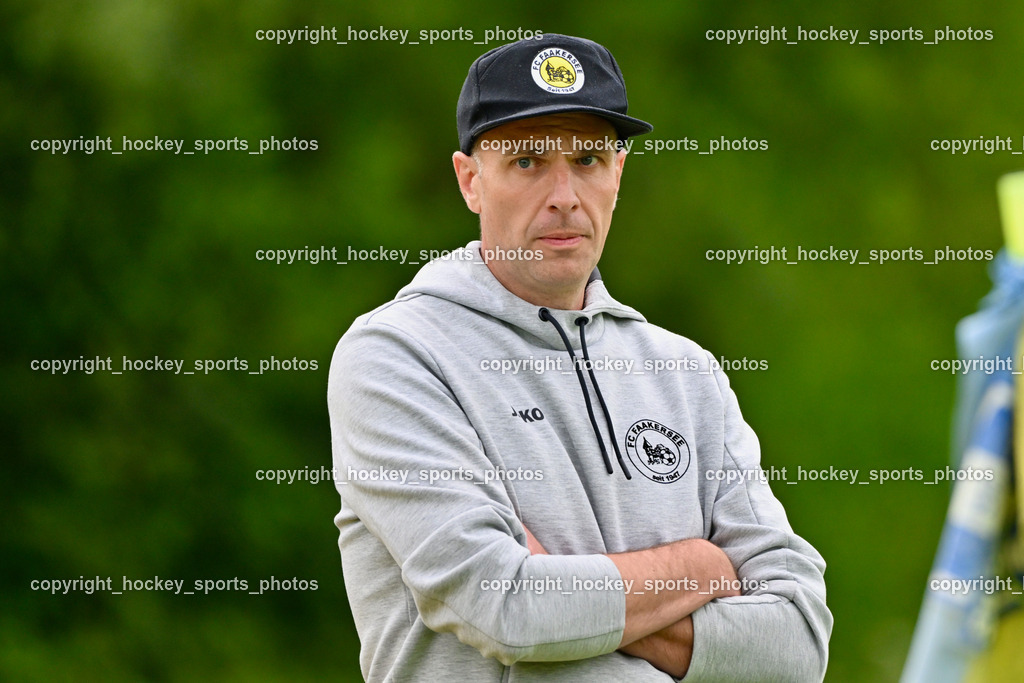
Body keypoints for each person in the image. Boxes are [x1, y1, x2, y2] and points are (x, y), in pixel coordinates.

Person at [329, 33, 832, 681]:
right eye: (528, 162)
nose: (564, 193)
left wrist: (573, 598)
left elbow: (797, 646)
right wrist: (699, 569)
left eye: (588, 159)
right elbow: (503, 608)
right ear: (469, 181)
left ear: (618, 173)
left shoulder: (686, 371)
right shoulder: (397, 357)